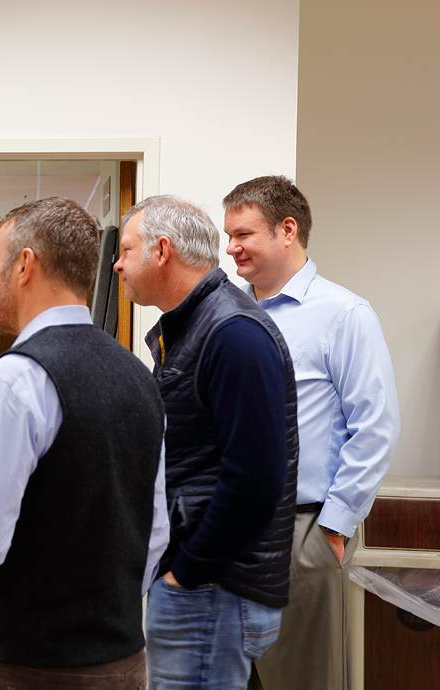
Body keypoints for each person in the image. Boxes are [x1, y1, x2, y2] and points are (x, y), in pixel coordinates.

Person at [0, 197, 169, 689]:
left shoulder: (13, 380)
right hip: (121, 662)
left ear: (24, 265)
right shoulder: (139, 376)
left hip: (27, 667)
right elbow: (156, 529)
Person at [113, 195, 299, 689]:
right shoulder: (194, 325)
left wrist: (187, 572)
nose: (117, 263)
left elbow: (255, 479)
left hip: (213, 586)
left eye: (127, 249)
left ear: (163, 251)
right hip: (204, 582)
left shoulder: (232, 333)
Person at [223, 176, 400, 690]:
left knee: (300, 680)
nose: (231, 247)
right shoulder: (229, 313)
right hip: (227, 534)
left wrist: (334, 530)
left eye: (243, 234)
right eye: (228, 234)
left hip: (303, 532)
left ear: (287, 229)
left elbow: (374, 427)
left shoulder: (344, 314)